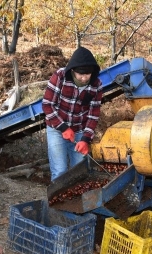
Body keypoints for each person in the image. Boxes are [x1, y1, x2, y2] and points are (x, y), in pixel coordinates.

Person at [42, 46, 102, 181]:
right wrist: (63, 127)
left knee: (79, 172)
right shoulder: (60, 77)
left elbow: (93, 115)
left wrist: (86, 139)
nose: (84, 78)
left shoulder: (96, 85)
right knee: (60, 171)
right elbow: (47, 105)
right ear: (73, 70)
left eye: (87, 74)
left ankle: (76, 202)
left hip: (79, 131)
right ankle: (57, 201)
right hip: (56, 129)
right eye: (80, 74)